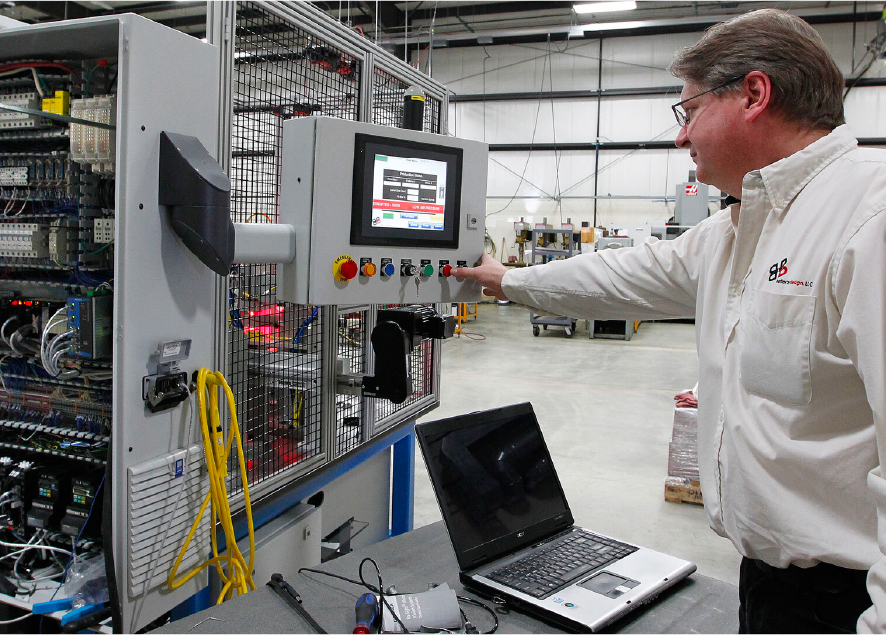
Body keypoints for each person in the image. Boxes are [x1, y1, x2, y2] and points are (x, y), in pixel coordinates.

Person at [454, 9, 886, 635]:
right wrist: (506, 279)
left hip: (849, 603)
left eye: (688, 111)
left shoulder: (868, 222)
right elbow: (621, 276)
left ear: (753, 95)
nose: (681, 138)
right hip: (770, 586)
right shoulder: (738, 229)